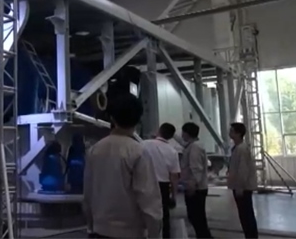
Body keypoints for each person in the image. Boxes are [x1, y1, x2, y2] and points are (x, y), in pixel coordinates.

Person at [83, 95, 161, 239]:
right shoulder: (138, 151)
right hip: (130, 232)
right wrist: (154, 233)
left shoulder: (94, 150)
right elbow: (148, 199)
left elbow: (88, 193)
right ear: (139, 119)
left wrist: (91, 226)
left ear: (112, 118)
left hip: (99, 231)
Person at [141, 123, 181, 238]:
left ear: (159, 131)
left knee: (143, 212)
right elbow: (174, 176)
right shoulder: (172, 151)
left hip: (145, 183)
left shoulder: (144, 144)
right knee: (164, 215)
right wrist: (173, 196)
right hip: (163, 186)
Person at [180, 122, 212, 239]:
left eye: (183, 132)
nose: (182, 134)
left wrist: (192, 185)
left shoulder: (195, 147)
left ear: (187, 133)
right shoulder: (193, 145)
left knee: (196, 217)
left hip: (196, 188)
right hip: (196, 186)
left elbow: (196, 167)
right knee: (196, 217)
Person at [227, 122, 259, 238]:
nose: (229, 133)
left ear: (238, 133)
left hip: (243, 188)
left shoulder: (242, 149)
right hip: (239, 186)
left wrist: (240, 186)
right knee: (244, 214)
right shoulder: (237, 148)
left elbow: (243, 169)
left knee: (246, 214)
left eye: (232, 131)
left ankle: (251, 236)